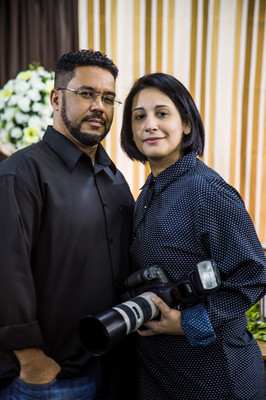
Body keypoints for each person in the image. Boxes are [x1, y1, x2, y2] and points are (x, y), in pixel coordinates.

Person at [120, 72, 266, 400]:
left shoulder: (206, 190)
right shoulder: (149, 191)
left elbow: (255, 274)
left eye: (162, 113)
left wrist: (188, 322)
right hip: (161, 374)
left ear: (186, 124)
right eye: (139, 116)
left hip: (215, 377)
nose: (149, 125)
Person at [0, 49, 135, 399]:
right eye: (87, 93)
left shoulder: (115, 179)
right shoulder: (21, 173)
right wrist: (31, 360)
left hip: (113, 368)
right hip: (51, 378)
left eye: (108, 98)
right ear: (56, 97)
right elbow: (7, 272)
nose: (99, 107)